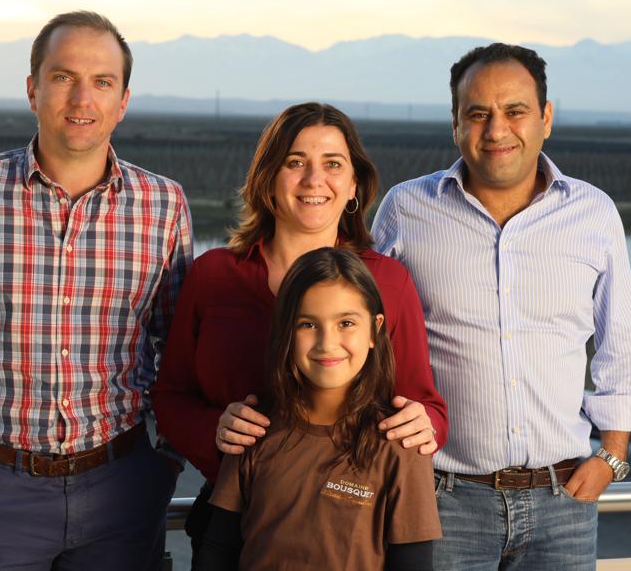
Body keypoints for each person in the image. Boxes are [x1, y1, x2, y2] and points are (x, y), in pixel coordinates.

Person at [0, 11, 192, 570]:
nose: (82, 98)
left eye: (102, 82)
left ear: (123, 100)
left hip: (124, 491)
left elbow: (178, 349)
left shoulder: (164, 205)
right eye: (62, 77)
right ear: (32, 89)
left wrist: (164, 464)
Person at [372, 43, 631, 570]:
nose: (496, 130)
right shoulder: (406, 209)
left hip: (564, 503)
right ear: (455, 124)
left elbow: (622, 343)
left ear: (546, 118)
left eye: (515, 111)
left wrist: (612, 456)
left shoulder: (593, 213)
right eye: (478, 114)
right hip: (444, 501)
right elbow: (369, 343)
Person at [152, 102, 447, 565]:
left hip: (350, 527)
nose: (314, 180)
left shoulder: (388, 282)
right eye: (295, 162)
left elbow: (425, 406)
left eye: (332, 164)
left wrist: (424, 424)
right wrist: (217, 433)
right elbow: (170, 395)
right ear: (268, 178)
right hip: (231, 522)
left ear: (354, 185)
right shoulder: (214, 276)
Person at [196, 247, 442, 570]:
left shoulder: (401, 445)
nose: (327, 342)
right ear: (286, 330)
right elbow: (217, 552)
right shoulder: (252, 429)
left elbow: (414, 564)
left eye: (346, 323)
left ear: (375, 329)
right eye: (308, 325)